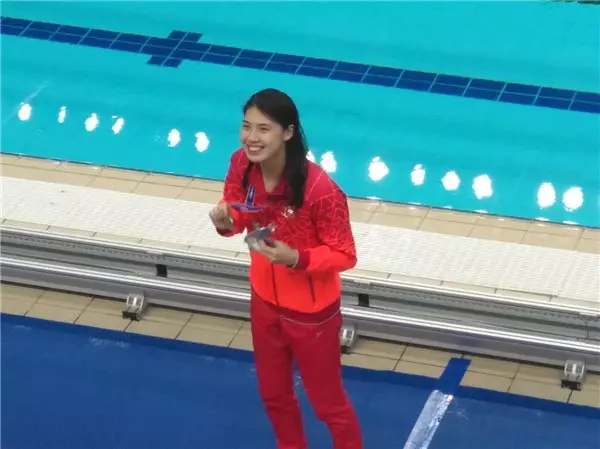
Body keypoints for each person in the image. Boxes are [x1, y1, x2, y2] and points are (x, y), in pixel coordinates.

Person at [209, 88, 363, 449]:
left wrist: (297, 259)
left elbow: (345, 254)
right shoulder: (240, 165)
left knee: (328, 406)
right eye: (247, 126)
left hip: (312, 316)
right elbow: (238, 215)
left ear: (288, 133)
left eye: (264, 128)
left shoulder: (321, 190)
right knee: (274, 396)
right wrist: (223, 219)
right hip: (264, 303)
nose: (251, 137)